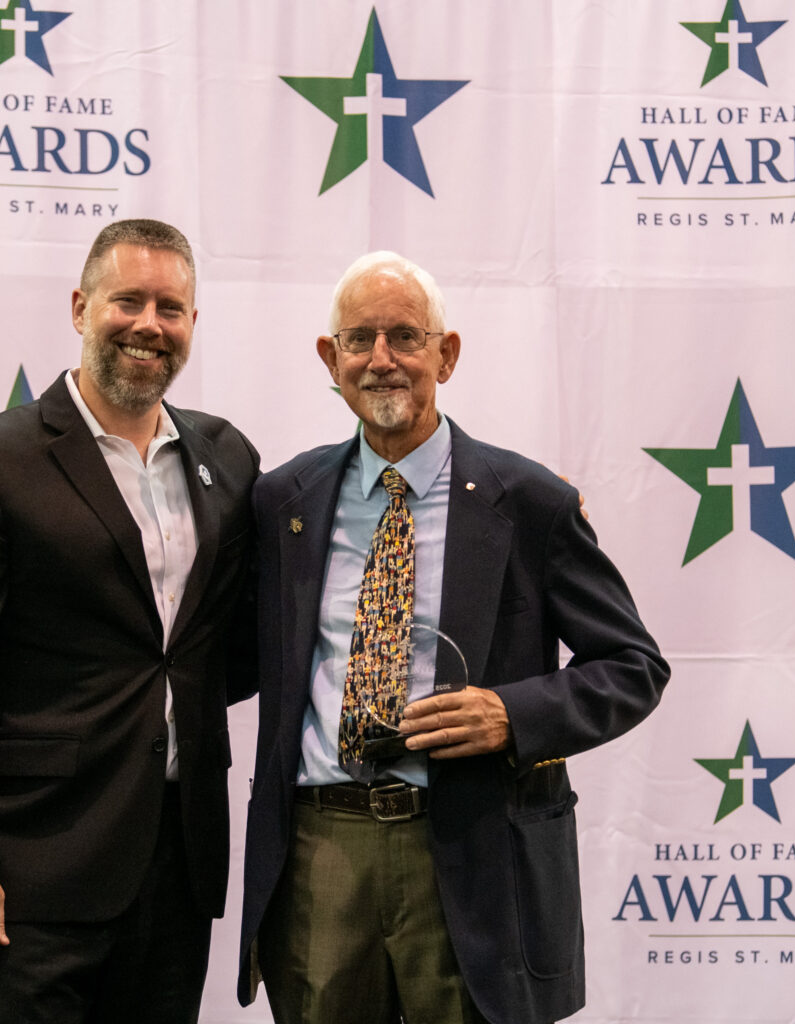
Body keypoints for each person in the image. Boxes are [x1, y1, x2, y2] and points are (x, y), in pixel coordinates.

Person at [237, 252, 670, 1024]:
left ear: (447, 354)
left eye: (405, 336)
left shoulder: (530, 502)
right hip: (320, 852)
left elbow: (632, 666)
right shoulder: (281, 502)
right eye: (359, 339)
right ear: (330, 359)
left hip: (473, 852)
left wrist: (511, 716)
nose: (382, 359)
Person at [0, 219, 259, 1023]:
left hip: (177, 869)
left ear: (192, 323)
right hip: (28, 872)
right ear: (80, 307)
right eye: (128, 300)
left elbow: (235, 636)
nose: (148, 324)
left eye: (170, 308)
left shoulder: (227, 458)